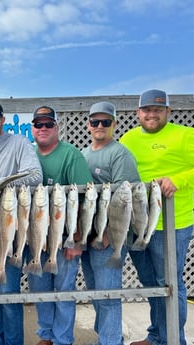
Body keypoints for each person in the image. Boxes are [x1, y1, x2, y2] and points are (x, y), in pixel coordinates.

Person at [120, 89, 194, 345]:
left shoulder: (184, 136)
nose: (152, 114)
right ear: (138, 113)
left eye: (158, 109)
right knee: (150, 282)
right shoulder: (128, 138)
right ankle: (156, 336)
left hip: (172, 226)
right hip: (138, 225)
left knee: (170, 283)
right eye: (147, 109)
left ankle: (174, 339)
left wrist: (180, 180)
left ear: (168, 112)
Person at [0, 100, 43, 345]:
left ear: (2, 120)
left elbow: (35, 176)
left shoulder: (19, 144)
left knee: (9, 294)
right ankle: (1, 340)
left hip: (12, 229)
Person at [29, 106, 92, 345]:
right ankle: (46, 336)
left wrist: (76, 238)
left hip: (64, 235)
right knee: (40, 288)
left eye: (48, 124)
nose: (43, 128)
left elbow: (84, 199)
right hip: (37, 236)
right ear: (32, 129)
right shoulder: (29, 156)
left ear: (57, 127)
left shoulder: (71, 154)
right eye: (38, 124)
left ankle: (63, 339)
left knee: (64, 290)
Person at [81, 101, 140, 345]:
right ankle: (105, 337)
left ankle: (111, 341)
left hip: (108, 236)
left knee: (108, 293)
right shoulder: (83, 154)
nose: (100, 126)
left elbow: (123, 201)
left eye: (106, 121)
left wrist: (108, 235)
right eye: (95, 121)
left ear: (114, 124)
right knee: (96, 291)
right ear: (88, 125)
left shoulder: (120, 153)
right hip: (87, 234)